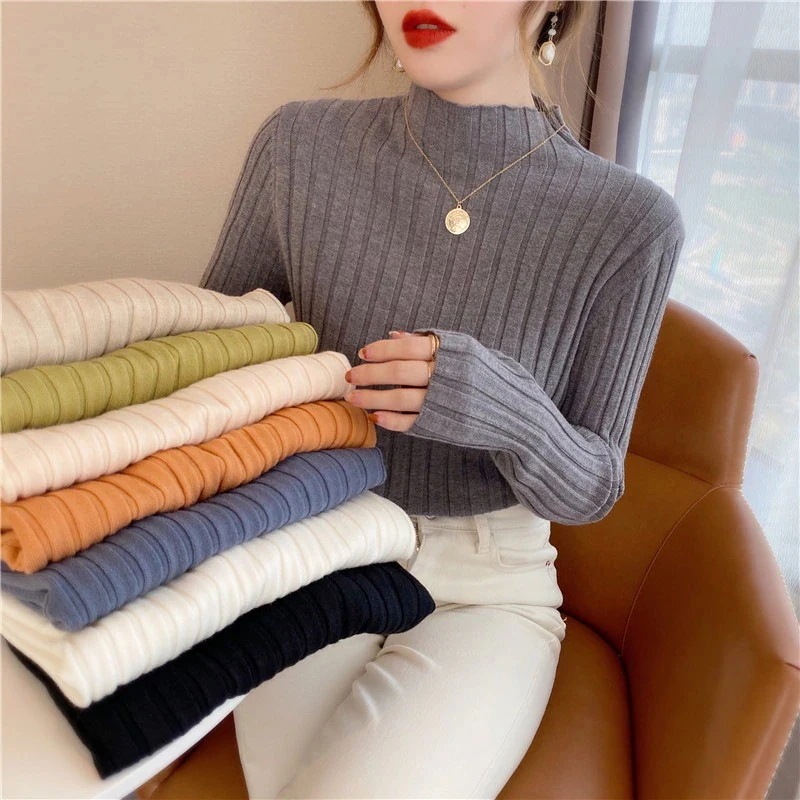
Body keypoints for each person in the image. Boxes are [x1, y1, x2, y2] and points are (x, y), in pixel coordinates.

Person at [199, 1, 686, 797]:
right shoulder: (298, 147)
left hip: (485, 588)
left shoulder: (630, 220)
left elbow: (594, 486)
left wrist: (504, 406)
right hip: (314, 548)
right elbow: (209, 364)